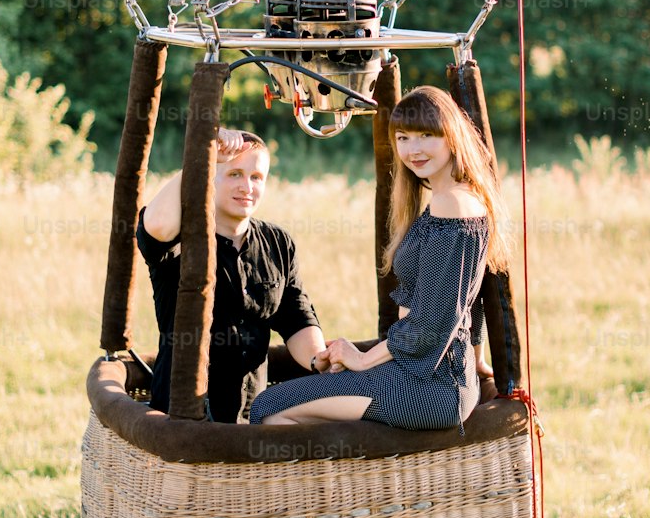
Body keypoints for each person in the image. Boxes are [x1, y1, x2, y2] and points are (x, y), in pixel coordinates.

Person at [249, 85, 510, 429]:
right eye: (403, 137)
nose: (412, 149)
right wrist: (475, 361)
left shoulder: (453, 206)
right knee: (299, 401)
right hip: (429, 373)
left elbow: (430, 325)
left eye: (426, 136)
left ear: (451, 136)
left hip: (429, 385)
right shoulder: (456, 199)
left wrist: (363, 358)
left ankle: (337, 484)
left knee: (268, 407)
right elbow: (466, 301)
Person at [136, 128, 326, 420]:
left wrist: (319, 359)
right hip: (183, 416)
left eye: (256, 177)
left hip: (252, 417)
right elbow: (157, 226)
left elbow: (296, 317)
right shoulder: (181, 236)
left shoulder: (278, 242)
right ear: (209, 177)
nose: (247, 187)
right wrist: (202, 157)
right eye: (234, 174)